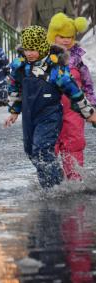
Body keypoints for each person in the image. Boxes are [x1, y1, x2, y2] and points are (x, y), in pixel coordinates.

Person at [4, 26, 96, 190]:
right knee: (31, 150)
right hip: (29, 116)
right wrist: (13, 111)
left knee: (41, 149)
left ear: (41, 47)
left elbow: (74, 91)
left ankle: (56, 186)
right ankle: (49, 182)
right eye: (26, 49)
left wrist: (89, 113)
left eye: (33, 49)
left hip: (50, 115)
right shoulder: (20, 68)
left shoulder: (55, 69)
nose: (29, 53)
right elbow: (14, 88)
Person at [47, 13, 96, 180]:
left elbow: (88, 85)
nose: (66, 40)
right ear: (53, 36)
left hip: (73, 111)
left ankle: (75, 178)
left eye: (70, 37)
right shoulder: (43, 59)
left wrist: (91, 107)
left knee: (73, 143)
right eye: (61, 37)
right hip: (49, 110)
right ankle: (52, 179)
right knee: (49, 144)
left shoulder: (78, 61)